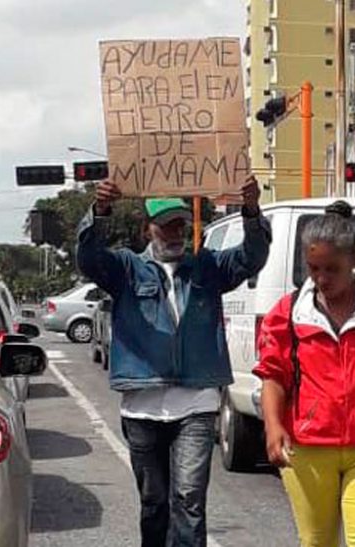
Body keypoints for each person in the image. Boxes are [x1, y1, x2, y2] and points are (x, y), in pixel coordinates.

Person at [76, 177, 271, 547]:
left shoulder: (208, 268)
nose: (175, 232)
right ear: (146, 229)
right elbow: (88, 259)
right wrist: (99, 212)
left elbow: (252, 256)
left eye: (180, 223)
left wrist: (250, 211)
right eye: (166, 224)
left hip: (196, 405)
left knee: (189, 500)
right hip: (142, 408)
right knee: (154, 503)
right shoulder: (125, 269)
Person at [254, 201, 355, 547]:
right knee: (317, 541)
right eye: (313, 268)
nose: (321, 279)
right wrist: (273, 427)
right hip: (307, 449)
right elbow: (273, 376)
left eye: (332, 269)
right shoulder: (287, 312)